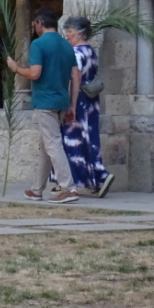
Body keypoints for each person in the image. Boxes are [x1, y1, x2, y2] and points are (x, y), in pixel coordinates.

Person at [7, 9, 81, 204]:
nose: (34, 28)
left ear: (40, 23)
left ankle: (68, 188)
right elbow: (75, 75)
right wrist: (72, 104)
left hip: (45, 101)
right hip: (62, 100)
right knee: (46, 145)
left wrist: (15, 68)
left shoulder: (38, 44)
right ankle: (37, 189)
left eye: (34, 24)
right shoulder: (66, 45)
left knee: (53, 144)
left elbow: (35, 73)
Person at [50, 16, 116, 198]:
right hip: (90, 101)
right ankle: (95, 178)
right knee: (88, 139)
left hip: (78, 101)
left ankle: (83, 179)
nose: (68, 35)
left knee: (72, 142)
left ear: (80, 33)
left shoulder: (77, 53)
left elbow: (75, 76)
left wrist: (71, 104)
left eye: (70, 32)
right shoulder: (90, 52)